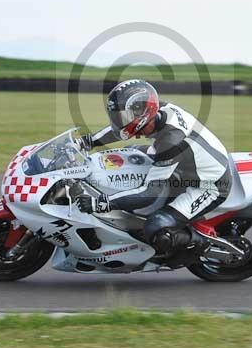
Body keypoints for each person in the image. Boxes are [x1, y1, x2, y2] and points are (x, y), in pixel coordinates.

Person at [75, 79, 231, 258]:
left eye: (122, 117)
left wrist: (102, 203)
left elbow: (149, 194)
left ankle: (200, 245)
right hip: (183, 165)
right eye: (117, 116)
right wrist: (87, 142)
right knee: (127, 153)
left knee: (156, 226)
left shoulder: (170, 141)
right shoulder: (159, 110)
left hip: (209, 185)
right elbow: (119, 131)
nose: (119, 121)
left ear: (142, 113)